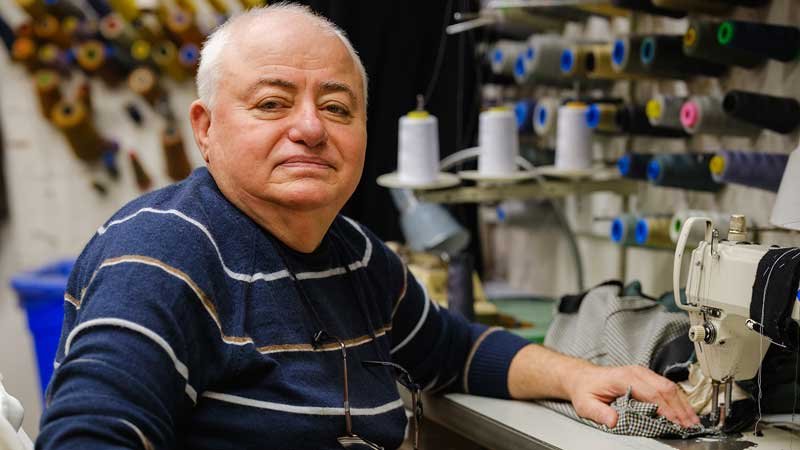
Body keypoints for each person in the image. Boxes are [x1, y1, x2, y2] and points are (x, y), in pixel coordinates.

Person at [37, 3, 698, 449]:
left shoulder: (352, 252)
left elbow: (454, 349)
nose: (309, 128)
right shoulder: (163, 256)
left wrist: (576, 376)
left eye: (337, 107)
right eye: (272, 103)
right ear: (206, 130)